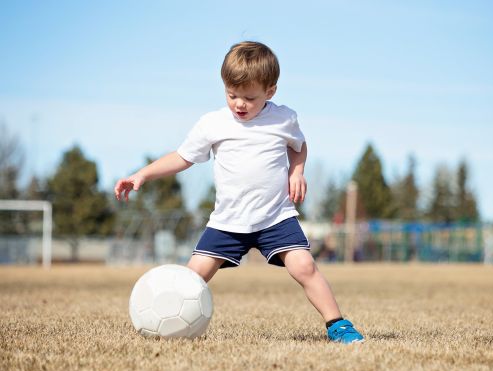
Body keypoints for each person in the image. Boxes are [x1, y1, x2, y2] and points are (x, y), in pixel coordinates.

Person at [114, 41, 364, 344]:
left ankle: (337, 325)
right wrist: (143, 174)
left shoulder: (283, 118)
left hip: (275, 217)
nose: (239, 104)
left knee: (305, 266)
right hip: (228, 221)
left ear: (270, 92)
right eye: (232, 95)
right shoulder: (212, 123)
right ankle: (168, 326)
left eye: (249, 97)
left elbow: (299, 146)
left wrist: (296, 170)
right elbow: (183, 157)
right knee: (191, 279)